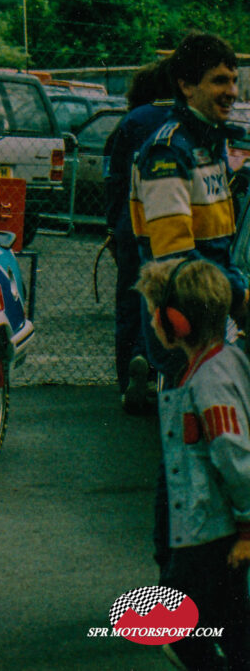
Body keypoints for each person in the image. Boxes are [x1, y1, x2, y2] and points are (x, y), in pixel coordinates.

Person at [135, 257, 250, 670]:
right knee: (233, 630)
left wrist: (248, 529)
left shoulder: (210, 382)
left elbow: (235, 456)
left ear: (177, 321)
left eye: (153, 311)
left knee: (179, 630)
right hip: (208, 527)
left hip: (211, 532)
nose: (149, 321)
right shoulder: (216, 362)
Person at [130, 32, 249, 389]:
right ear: (186, 85)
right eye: (219, 81)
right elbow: (174, 258)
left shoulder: (208, 143)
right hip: (187, 319)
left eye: (234, 81)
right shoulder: (169, 151)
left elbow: (220, 248)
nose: (231, 92)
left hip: (214, 312)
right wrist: (239, 298)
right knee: (205, 436)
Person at [104, 58, 175, 413]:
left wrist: (111, 226)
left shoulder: (131, 121)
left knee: (129, 303)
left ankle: (125, 381)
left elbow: (114, 179)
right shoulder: (185, 120)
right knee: (168, 300)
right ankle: (156, 368)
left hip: (131, 223)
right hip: (173, 223)